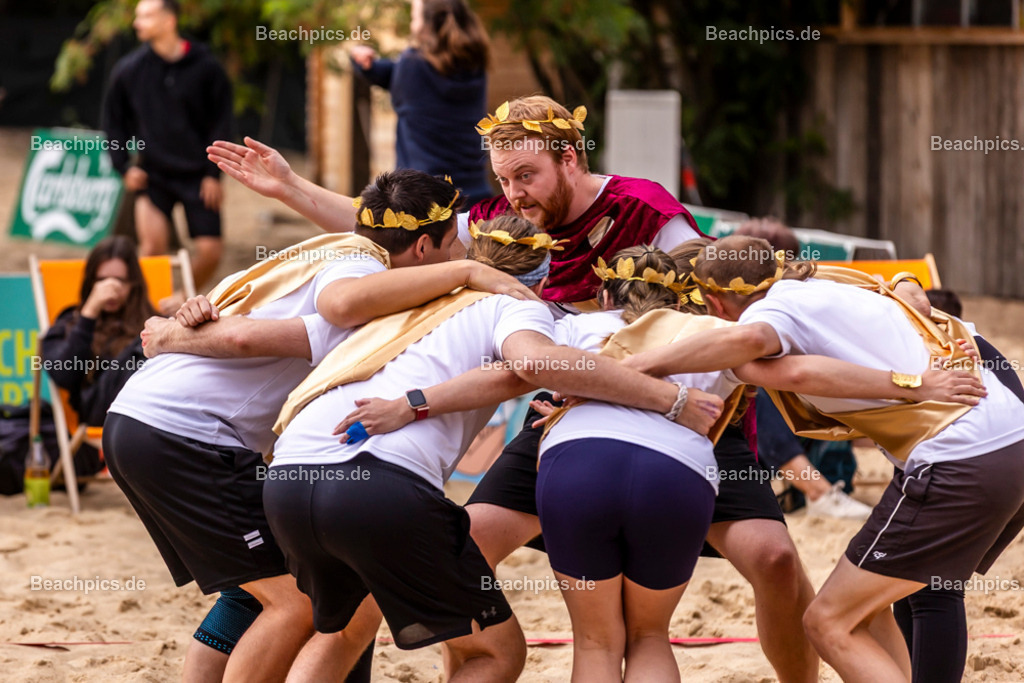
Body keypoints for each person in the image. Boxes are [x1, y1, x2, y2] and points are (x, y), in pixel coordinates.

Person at [103, 170, 536, 682]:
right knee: (294, 605)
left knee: (262, 592)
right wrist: (468, 274)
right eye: (452, 248)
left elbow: (250, 327)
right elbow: (329, 309)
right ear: (423, 249)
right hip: (187, 433)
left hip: (164, 426)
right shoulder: (357, 267)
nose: (458, 257)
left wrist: (178, 326)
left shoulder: (339, 259)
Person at [263, 216, 726, 680]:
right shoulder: (520, 305)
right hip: (378, 481)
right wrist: (670, 399)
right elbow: (531, 365)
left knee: (340, 630)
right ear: (542, 279)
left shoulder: (398, 297)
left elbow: (252, 334)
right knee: (496, 653)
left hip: (288, 477)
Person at [626, 234, 1022, 683]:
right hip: (1005, 432)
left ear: (715, 305)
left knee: (830, 621)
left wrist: (638, 368)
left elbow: (780, 356)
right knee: (877, 604)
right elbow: (909, 288)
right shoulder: (820, 279)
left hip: (961, 452)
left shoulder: (764, 316)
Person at [102, 0, 234, 292]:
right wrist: (122, 166)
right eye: (137, 17)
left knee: (212, 253)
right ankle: (148, 309)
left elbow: (222, 123)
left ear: (169, 21)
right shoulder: (129, 70)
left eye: (146, 16)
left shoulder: (207, 68)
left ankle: (179, 299)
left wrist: (214, 174)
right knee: (151, 250)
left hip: (199, 176)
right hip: (153, 175)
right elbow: (113, 124)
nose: (137, 23)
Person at [350, 0, 493, 207]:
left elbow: (399, 75)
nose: (412, 24)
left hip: (425, 202)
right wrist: (368, 66)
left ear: (427, 25)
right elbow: (399, 75)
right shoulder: (474, 66)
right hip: (475, 197)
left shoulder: (411, 65)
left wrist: (358, 60)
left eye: (415, 17)